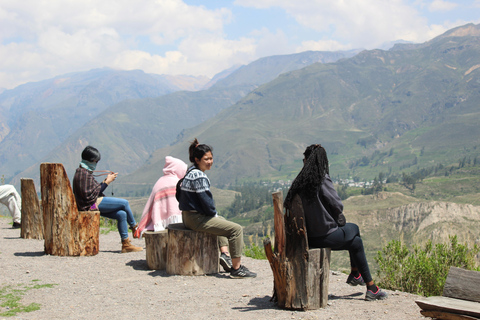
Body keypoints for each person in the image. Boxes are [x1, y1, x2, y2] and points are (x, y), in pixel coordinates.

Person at [284, 144, 387, 301]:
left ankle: (364, 281)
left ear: (306, 161)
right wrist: (338, 219)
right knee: (355, 231)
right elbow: (337, 205)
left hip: (308, 238)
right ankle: (360, 278)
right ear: (321, 161)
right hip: (325, 236)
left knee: (356, 242)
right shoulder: (321, 180)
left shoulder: (298, 184)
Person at [177, 138, 256, 278]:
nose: (210, 162)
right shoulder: (199, 177)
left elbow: (179, 193)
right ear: (197, 159)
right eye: (206, 159)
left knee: (221, 220)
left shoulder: (190, 172)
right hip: (196, 219)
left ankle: (225, 255)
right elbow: (207, 203)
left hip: (187, 216)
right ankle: (236, 269)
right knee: (236, 230)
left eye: (211, 158)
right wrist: (211, 213)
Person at [72, 145, 143, 253]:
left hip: (92, 202)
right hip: (90, 204)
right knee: (124, 203)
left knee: (122, 214)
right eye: (95, 161)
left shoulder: (83, 172)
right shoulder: (83, 174)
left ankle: (126, 244)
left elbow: (94, 190)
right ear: (91, 160)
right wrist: (107, 182)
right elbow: (92, 194)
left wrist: (105, 181)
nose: (95, 164)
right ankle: (134, 227)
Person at [134, 156, 187, 238]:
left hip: (159, 221)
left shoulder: (160, 181)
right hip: (176, 221)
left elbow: (151, 203)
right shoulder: (177, 183)